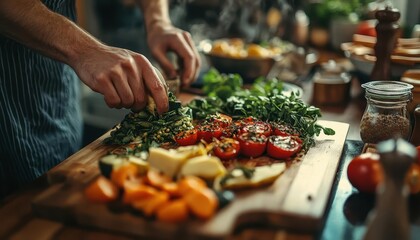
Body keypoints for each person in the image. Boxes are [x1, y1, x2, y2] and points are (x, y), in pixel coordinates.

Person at [0, 0, 201, 197]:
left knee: (60, 193)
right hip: (6, 111)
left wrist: (158, 22)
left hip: (59, 91)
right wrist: (85, 50)